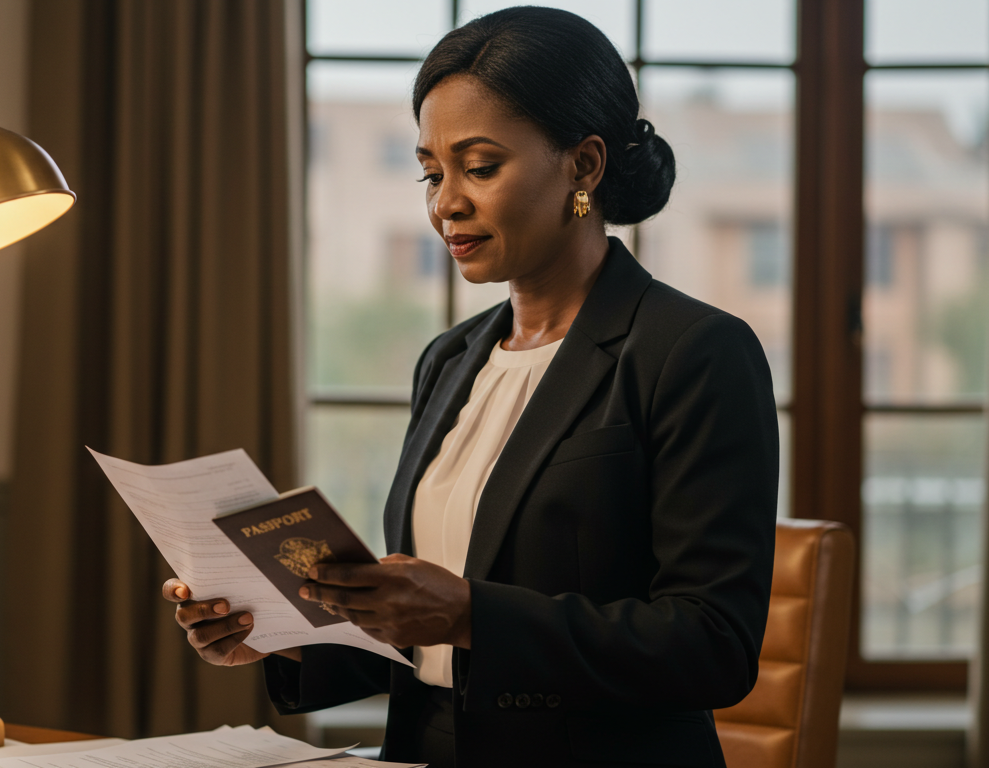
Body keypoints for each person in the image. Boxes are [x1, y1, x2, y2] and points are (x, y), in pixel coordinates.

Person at [162, 7, 778, 767]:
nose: (445, 201)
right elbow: (420, 632)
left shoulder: (694, 351)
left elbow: (712, 645)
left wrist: (470, 613)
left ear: (584, 167)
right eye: (431, 171)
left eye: (480, 166)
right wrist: (279, 639)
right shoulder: (450, 359)